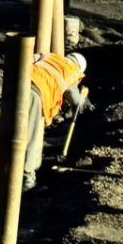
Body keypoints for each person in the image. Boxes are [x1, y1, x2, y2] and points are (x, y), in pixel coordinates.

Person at [25, 50, 89, 188]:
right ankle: (27, 180)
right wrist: (83, 96)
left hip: (21, 84)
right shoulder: (72, 70)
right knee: (32, 138)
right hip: (36, 95)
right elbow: (76, 101)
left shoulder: (49, 56)